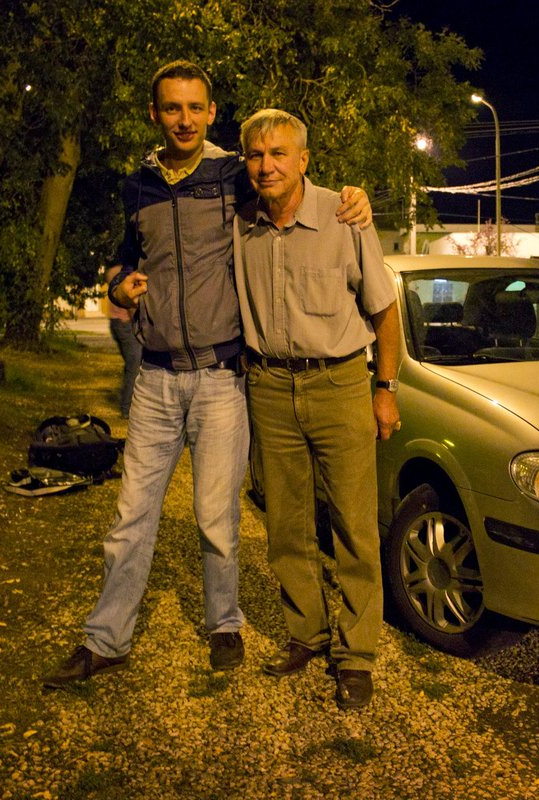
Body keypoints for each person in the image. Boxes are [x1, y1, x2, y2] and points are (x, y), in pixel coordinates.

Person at [43, 63, 371, 688]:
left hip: (222, 377)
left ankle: (224, 623)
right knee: (130, 517)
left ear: (212, 112)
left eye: (195, 108)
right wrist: (116, 282)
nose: (184, 120)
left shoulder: (231, 174)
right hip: (156, 378)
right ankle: (105, 640)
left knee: (216, 517)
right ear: (155, 114)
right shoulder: (136, 184)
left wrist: (352, 199)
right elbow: (122, 256)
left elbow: (289, 189)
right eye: (172, 109)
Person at [233, 109, 399, 710]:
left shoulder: (343, 214)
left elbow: (384, 312)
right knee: (286, 527)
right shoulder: (240, 221)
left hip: (339, 387)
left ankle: (355, 654)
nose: (266, 165)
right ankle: (306, 631)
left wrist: (386, 388)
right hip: (270, 388)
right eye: (255, 154)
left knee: (354, 526)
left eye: (279, 153)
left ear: (304, 159)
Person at [104, 264, 142, 418]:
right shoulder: (128, 273)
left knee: (131, 365)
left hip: (115, 323)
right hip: (125, 324)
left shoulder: (112, 271)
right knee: (134, 364)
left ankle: (129, 403)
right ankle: (127, 408)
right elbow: (130, 303)